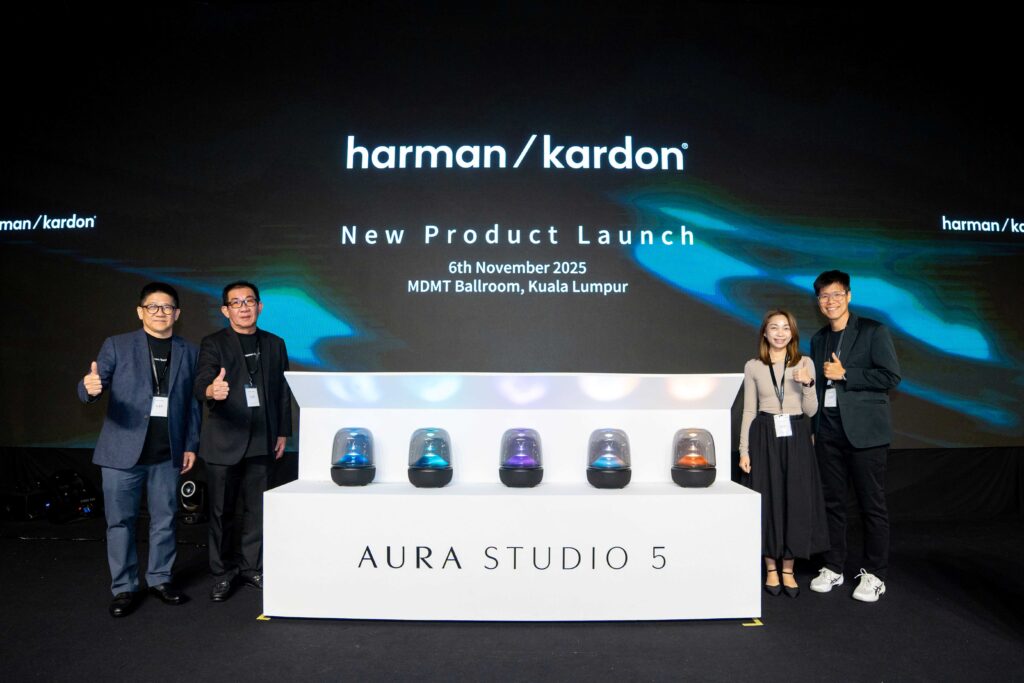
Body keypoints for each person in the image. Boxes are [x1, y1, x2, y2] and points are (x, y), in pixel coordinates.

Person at [77, 282, 201, 617]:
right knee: (120, 523)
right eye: (153, 307)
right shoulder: (117, 345)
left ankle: (160, 579)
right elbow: (93, 383)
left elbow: (192, 404)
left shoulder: (189, 351)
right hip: (121, 453)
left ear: (177, 313)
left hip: (168, 453)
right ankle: (124, 587)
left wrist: (191, 444)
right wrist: (88, 388)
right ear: (140, 312)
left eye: (167, 307)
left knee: (165, 520)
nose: (160, 312)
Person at [194, 281, 291, 602]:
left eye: (249, 301)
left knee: (257, 510)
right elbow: (201, 382)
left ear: (260, 306)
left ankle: (252, 567)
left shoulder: (275, 343)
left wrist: (282, 431)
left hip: (263, 439)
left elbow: (282, 392)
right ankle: (222, 572)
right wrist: (211, 390)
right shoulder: (213, 343)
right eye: (236, 303)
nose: (244, 307)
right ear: (226, 310)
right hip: (224, 440)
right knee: (221, 512)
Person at [808, 270, 901, 603]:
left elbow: (890, 376)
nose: (830, 301)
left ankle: (875, 574)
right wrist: (816, 429)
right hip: (828, 431)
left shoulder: (873, 331)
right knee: (832, 503)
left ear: (848, 296)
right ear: (818, 301)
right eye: (824, 296)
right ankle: (833, 566)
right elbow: (820, 389)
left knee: (871, 505)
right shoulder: (819, 339)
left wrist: (846, 373)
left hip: (865, 433)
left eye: (836, 294)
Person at [739, 310, 828, 598]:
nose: (780, 333)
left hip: (797, 433)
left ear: (793, 333)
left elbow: (812, 410)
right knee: (768, 499)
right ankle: (770, 568)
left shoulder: (805, 363)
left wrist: (809, 384)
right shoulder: (753, 366)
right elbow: (749, 410)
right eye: (774, 328)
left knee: (795, 500)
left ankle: (788, 569)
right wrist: (744, 450)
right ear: (765, 333)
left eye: (786, 328)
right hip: (764, 435)